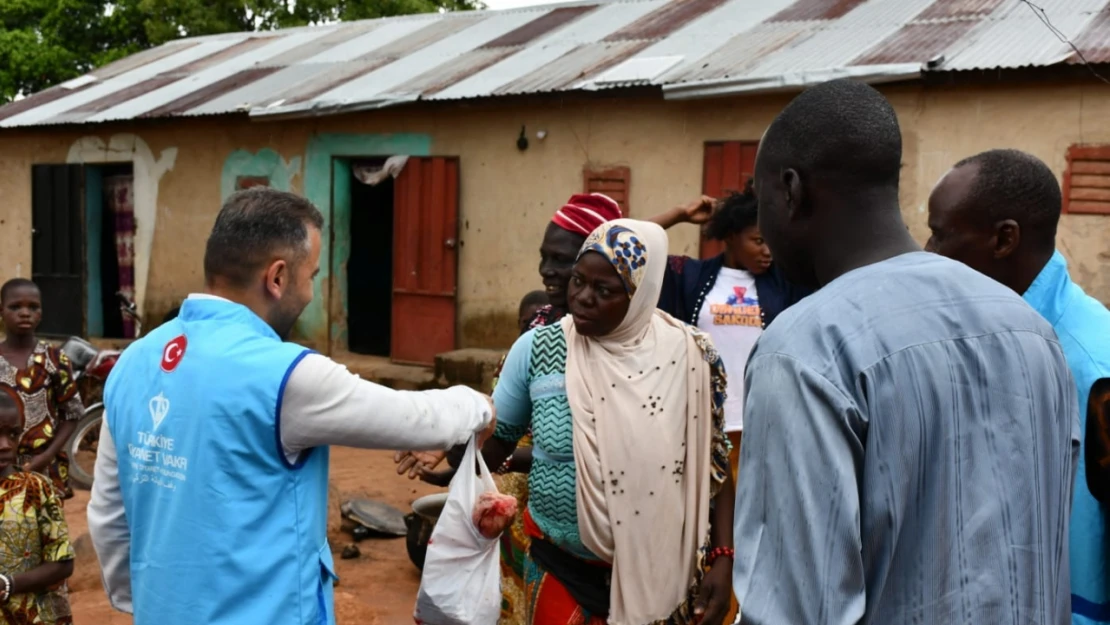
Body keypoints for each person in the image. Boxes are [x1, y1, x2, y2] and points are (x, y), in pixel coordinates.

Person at [734, 79, 1079, 625]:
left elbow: (798, 609)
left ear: (791, 190)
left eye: (761, 201)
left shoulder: (806, 348)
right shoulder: (1032, 332)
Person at [87, 188, 497, 625]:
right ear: (277, 277)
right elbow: (414, 417)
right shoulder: (286, 375)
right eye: (312, 276)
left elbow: (108, 514)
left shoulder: (132, 362)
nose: (310, 294)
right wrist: (481, 406)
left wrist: (150, 602)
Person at [466, 219, 734, 625]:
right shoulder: (540, 349)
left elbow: (714, 468)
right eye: (578, 281)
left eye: (604, 290)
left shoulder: (690, 358)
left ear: (641, 295)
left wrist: (723, 558)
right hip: (559, 566)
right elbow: (496, 443)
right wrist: (450, 448)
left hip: (662, 574)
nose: (582, 298)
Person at [396, 194, 623, 625]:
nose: (548, 271)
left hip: (632, 556)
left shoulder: (665, 351)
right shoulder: (539, 339)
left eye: (562, 259)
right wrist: (450, 442)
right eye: (545, 257)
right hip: (540, 529)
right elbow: (499, 431)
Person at [926, 148, 1110, 625]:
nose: (928, 253)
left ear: (1004, 239)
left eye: (941, 234)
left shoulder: (1095, 368)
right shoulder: (979, 337)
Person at [655, 183, 810, 474]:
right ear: (729, 236)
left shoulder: (787, 283)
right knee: (705, 515)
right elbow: (621, 247)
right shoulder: (690, 277)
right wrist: (679, 214)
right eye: (758, 240)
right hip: (701, 428)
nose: (768, 252)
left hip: (764, 428)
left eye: (771, 242)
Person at [0, 280, 83, 499]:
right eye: (15, 307)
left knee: (45, 527)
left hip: (44, 465)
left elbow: (71, 414)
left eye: (33, 307)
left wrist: (47, 455)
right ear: (1, 311)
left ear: (41, 313)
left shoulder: (55, 359)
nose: (25, 313)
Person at [0, 386, 75, 625]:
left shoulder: (36, 489)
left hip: (33, 616)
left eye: (13, 434)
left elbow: (63, 562)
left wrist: (8, 584)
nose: (5, 445)